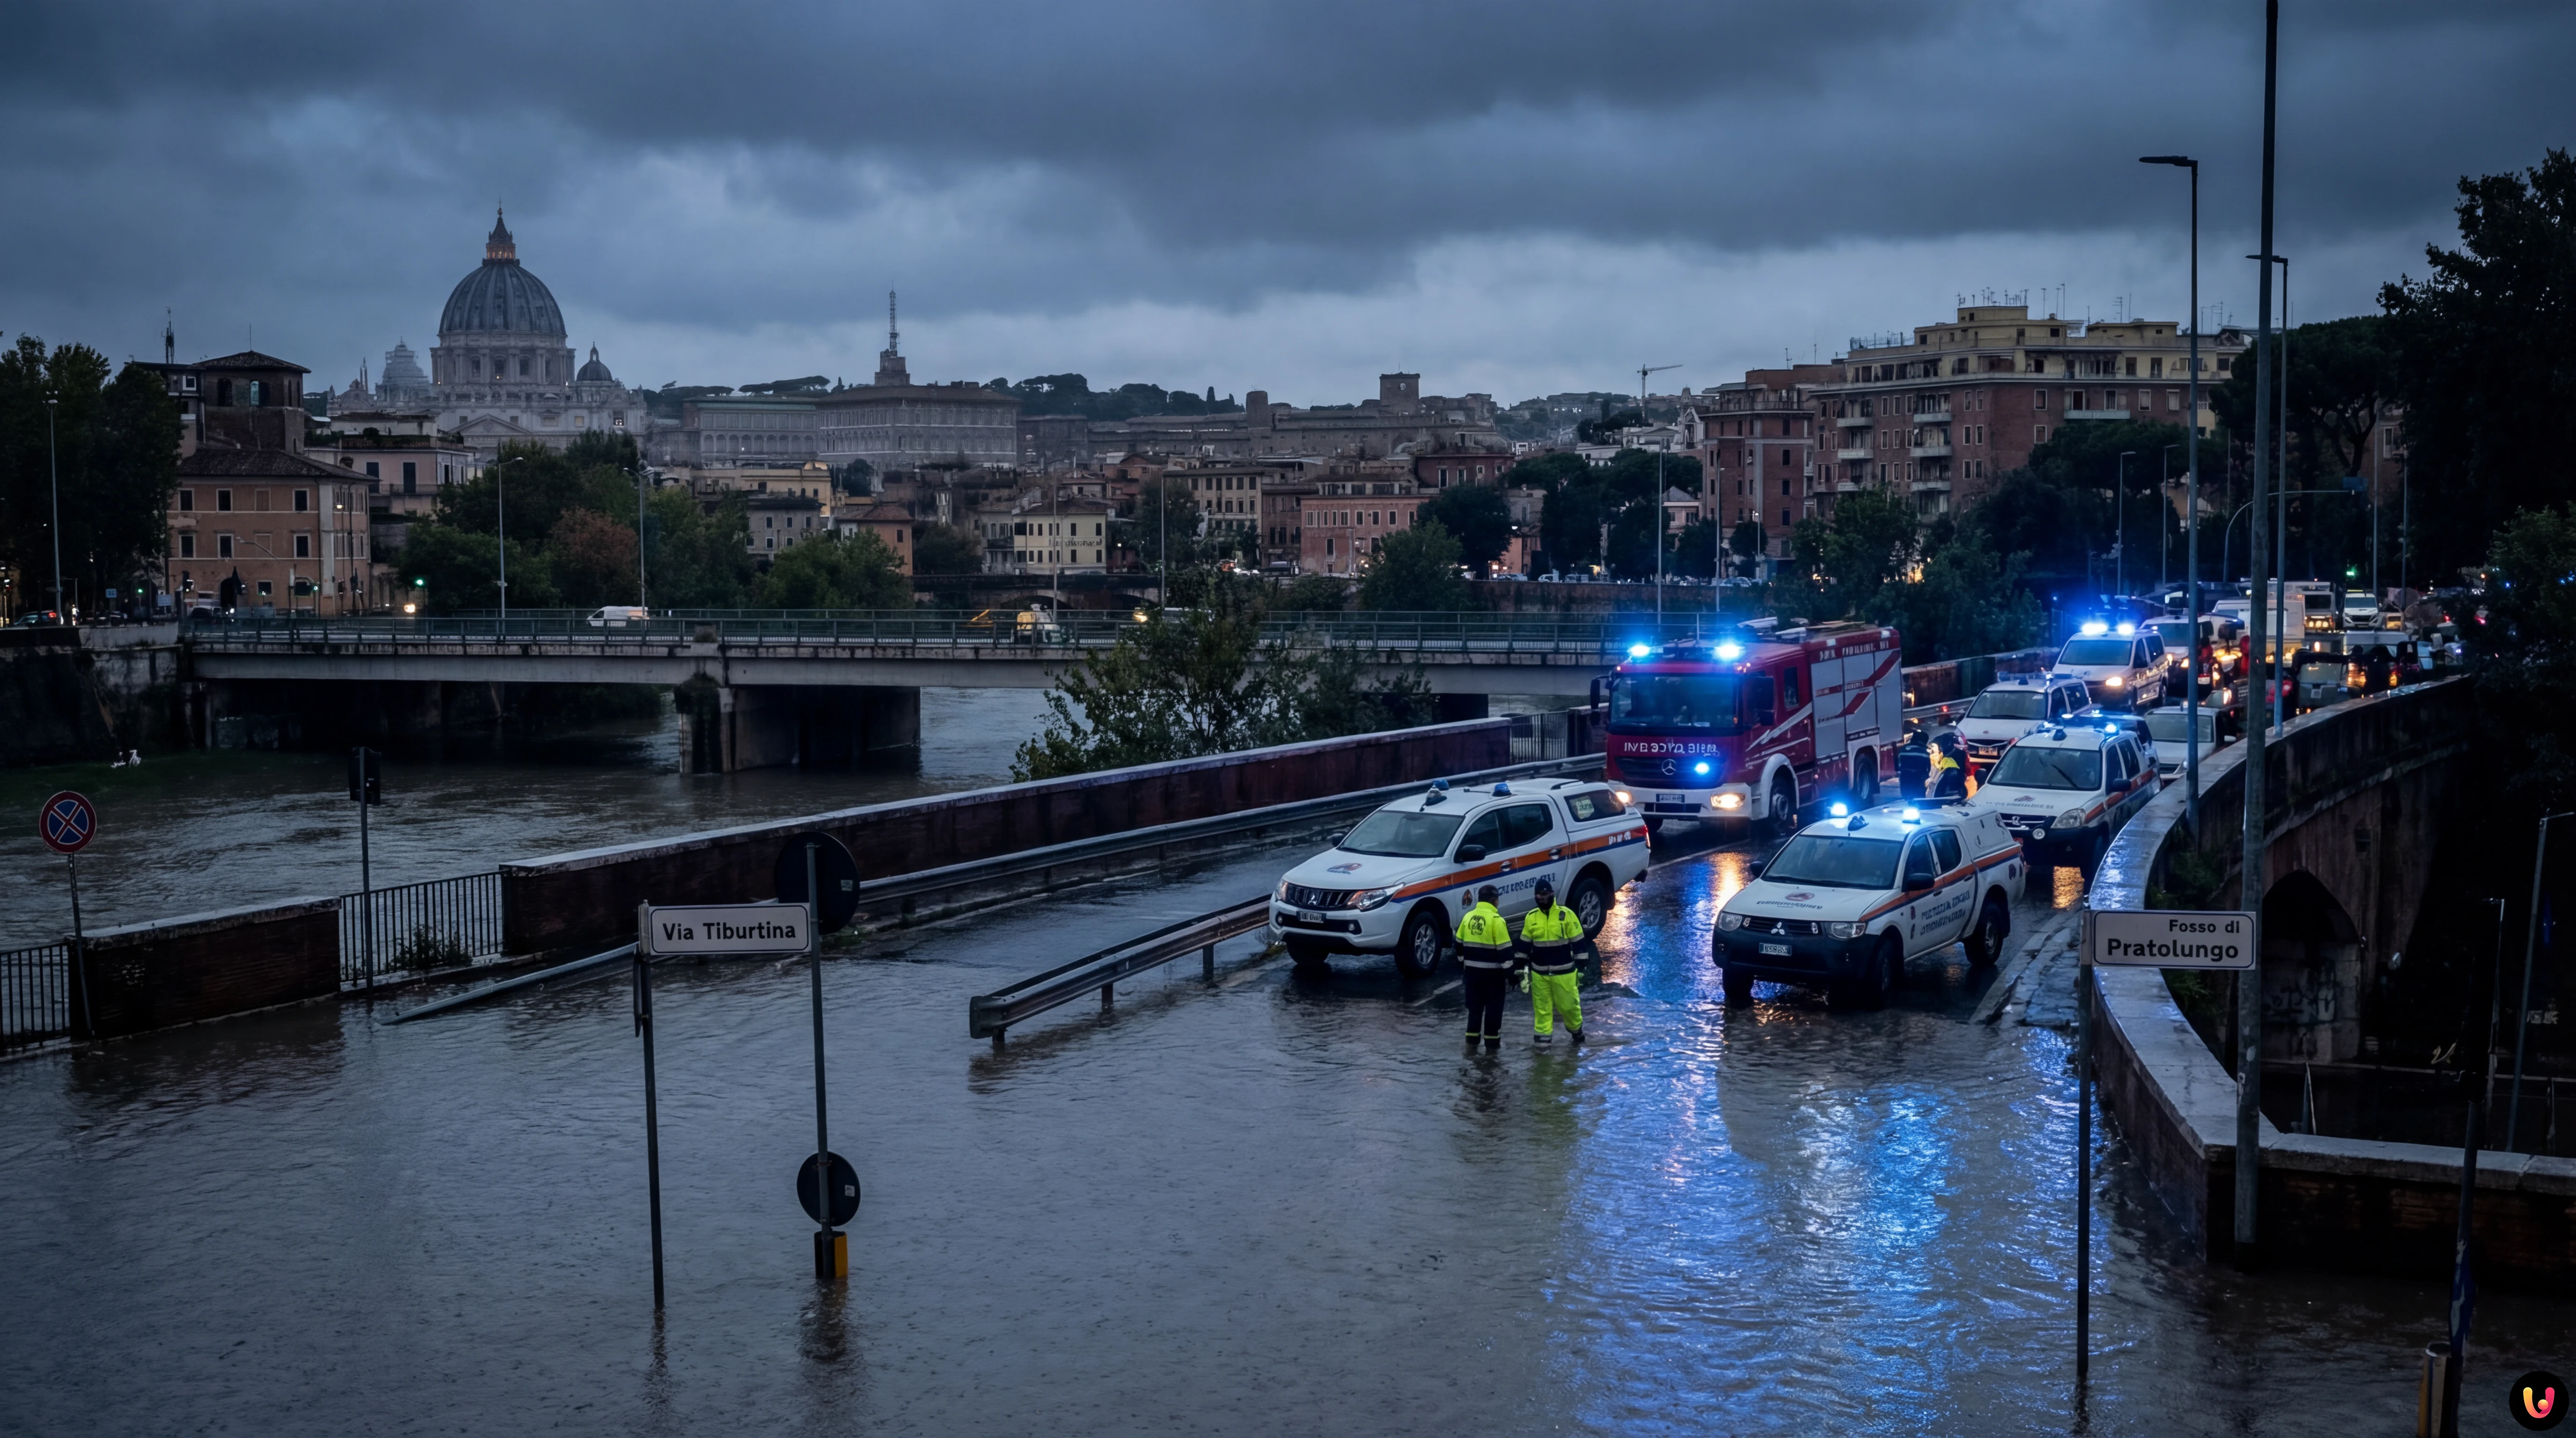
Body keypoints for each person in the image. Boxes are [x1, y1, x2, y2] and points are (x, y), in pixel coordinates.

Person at [1519, 878, 1584, 1046]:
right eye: (1537, 894)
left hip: (1564, 973)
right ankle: (1543, 1048)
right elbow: (1524, 945)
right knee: (1542, 1012)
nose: (1540, 898)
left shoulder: (1567, 915)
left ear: (1551, 894)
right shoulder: (1531, 917)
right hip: (1539, 974)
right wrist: (1518, 968)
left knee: (1569, 1008)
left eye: (1543, 894)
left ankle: (1577, 1032)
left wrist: (1582, 968)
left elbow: (1579, 942)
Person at [1455, 884, 1514, 1049]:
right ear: (1494, 901)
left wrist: (1464, 962)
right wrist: (1512, 976)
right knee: (1493, 1013)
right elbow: (1505, 952)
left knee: (1474, 1012)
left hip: (1472, 976)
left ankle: (1471, 1049)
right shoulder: (1497, 921)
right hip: (1493, 978)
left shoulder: (1468, 917)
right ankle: (1491, 1053)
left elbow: (1458, 943)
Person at [1930, 732, 1967, 803]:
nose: (1930, 753)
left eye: (1933, 752)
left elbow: (1941, 788)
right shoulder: (1934, 764)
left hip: (1944, 800)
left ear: (1941, 753)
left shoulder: (1949, 765)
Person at [1896, 727, 1931, 800]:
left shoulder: (1903, 750)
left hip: (1905, 778)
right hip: (1918, 780)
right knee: (1919, 799)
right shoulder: (1924, 753)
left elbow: (1898, 766)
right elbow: (1928, 769)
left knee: (1907, 798)